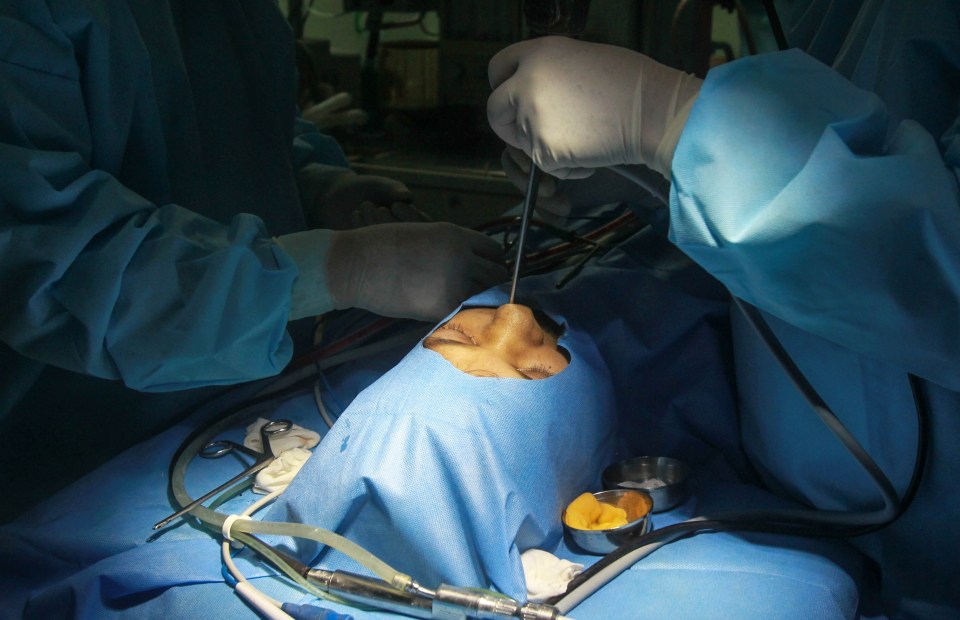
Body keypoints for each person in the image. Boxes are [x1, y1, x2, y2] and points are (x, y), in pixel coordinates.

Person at [486, 1, 960, 617]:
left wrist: (671, 122)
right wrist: (668, 177)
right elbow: (815, 216)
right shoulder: (831, 14)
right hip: (812, 512)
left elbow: (935, 258)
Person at [0, 0, 507, 521]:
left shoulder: (238, 13)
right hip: (71, 465)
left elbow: (237, 135)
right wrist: (343, 268)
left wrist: (318, 187)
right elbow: (58, 264)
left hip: (237, 409)